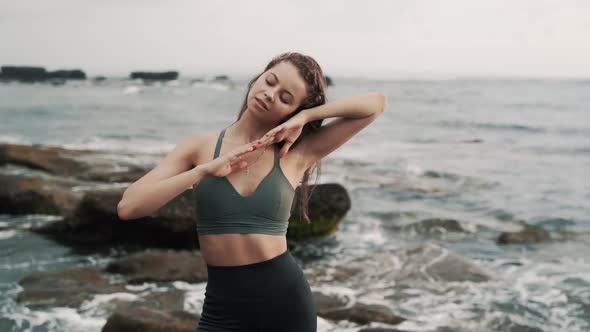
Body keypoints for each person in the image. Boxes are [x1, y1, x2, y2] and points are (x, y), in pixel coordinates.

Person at [117, 52, 387, 331]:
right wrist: (201, 172)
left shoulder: (297, 154)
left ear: (291, 112)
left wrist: (307, 115)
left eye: (285, 98)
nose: (270, 94)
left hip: (285, 306)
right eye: (270, 81)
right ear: (259, 76)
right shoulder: (199, 148)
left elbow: (376, 104)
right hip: (222, 311)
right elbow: (129, 207)